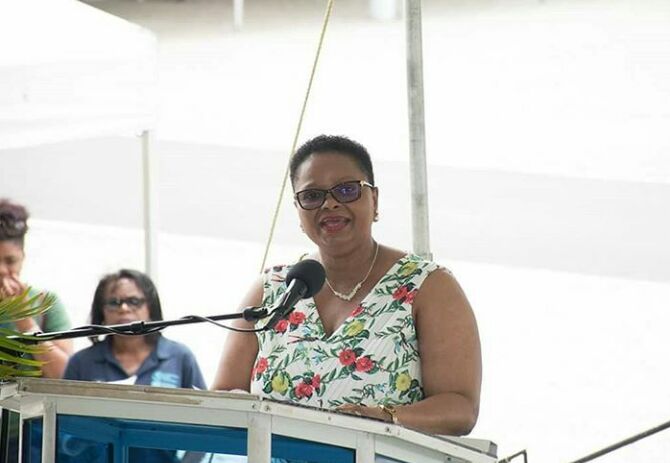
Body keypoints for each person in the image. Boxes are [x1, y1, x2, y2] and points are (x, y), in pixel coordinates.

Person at [213, 135, 482, 436]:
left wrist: (385, 417)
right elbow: (225, 394)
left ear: (375, 200)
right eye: (313, 195)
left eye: (347, 190)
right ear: (299, 211)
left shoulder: (428, 287)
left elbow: (460, 408)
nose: (330, 203)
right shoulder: (272, 289)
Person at [63, 269, 206, 390]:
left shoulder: (180, 357)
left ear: (150, 308)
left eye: (134, 302)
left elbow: (204, 414)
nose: (124, 309)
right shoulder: (81, 362)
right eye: (114, 303)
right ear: (101, 312)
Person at [0, 199, 73, 378]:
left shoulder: (46, 303)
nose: (2, 270)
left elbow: (65, 375)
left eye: (10, 261)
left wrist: (26, 322)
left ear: (23, 258)